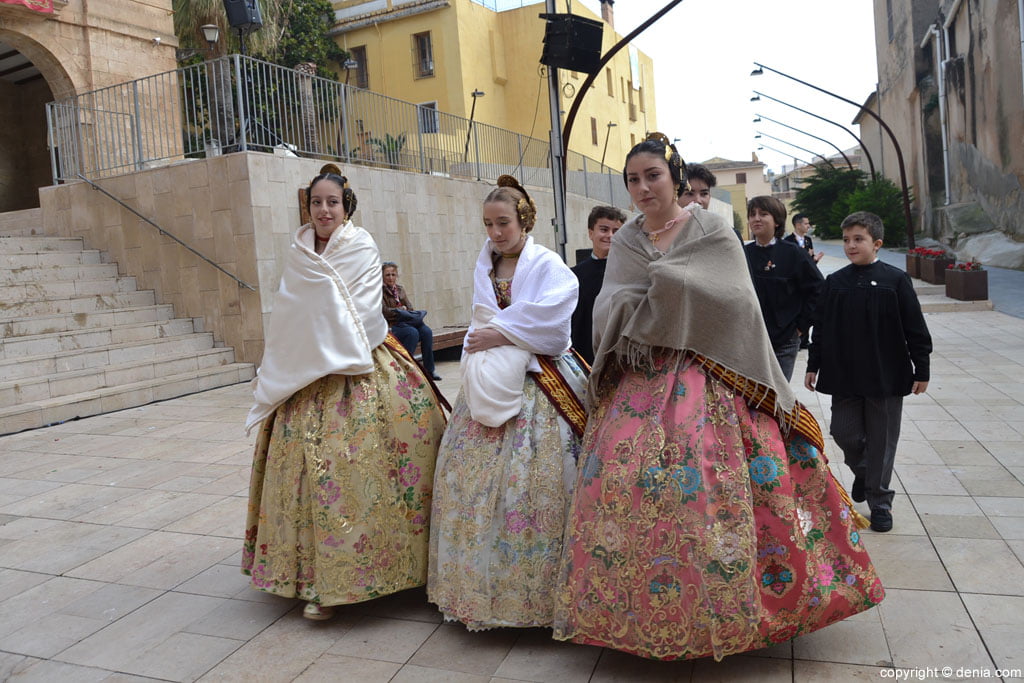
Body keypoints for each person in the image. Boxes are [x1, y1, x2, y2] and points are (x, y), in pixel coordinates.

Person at [553, 134, 883, 662]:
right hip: (643, 376)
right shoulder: (630, 239)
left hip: (714, 376)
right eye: (633, 180)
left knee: (711, 484)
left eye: (652, 176)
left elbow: (734, 301)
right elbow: (609, 304)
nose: (642, 188)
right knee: (624, 482)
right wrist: (660, 291)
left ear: (676, 178)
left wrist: (667, 286)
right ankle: (638, 610)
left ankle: (735, 608)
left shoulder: (710, 229)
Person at [242, 166, 447, 621]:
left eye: (332, 202)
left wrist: (320, 338)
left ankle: (386, 571)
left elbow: (363, 310)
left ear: (345, 205)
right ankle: (310, 576)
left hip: (359, 362)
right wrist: (295, 355)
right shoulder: (299, 251)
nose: (323, 210)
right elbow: (291, 313)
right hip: (304, 372)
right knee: (311, 477)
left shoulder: (361, 245)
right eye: (316, 202)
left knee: (360, 471)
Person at [428, 175, 587, 631]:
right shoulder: (485, 266)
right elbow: (483, 317)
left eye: (503, 223)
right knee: (472, 484)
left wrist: (503, 331)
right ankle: (479, 590)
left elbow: (554, 319)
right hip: (489, 376)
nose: (496, 233)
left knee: (538, 485)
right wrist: (496, 333)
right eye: (488, 224)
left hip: (543, 380)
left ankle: (537, 596)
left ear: (524, 221)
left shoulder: (548, 264)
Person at [805, 211, 932, 534]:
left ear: (877, 243)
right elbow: (819, 327)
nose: (850, 245)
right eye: (846, 239)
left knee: (882, 442)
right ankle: (864, 474)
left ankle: (880, 502)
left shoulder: (895, 280)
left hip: (886, 375)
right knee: (844, 433)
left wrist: (922, 368)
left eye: (858, 239)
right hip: (844, 374)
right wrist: (813, 365)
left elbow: (915, 328)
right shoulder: (835, 283)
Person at [743, 196, 823, 381]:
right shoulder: (743, 254)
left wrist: (801, 328)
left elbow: (818, 289)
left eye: (763, 214)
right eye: (752, 214)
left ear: (777, 221)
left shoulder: (793, 253)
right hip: (751, 341)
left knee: (776, 397)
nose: (756, 219)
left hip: (785, 341)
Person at [570, 205, 626, 365]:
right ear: (590, 233)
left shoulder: (629, 272)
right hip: (582, 357)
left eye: (616, 231)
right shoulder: (573, 276)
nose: (610, 236)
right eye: (604, 229)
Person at [382, 261, 441, 380]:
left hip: (406, 321)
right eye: (387, 275)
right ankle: (407, 370)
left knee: (426, 332)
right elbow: (384, 311)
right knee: (412, 333)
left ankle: (430, 371)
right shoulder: (379, 291)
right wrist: (398, 310)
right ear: (382, 276)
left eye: (393, 274)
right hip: (393, 324)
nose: (391, 278)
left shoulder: (400, 289)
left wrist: (405, 310)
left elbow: (410, 307)